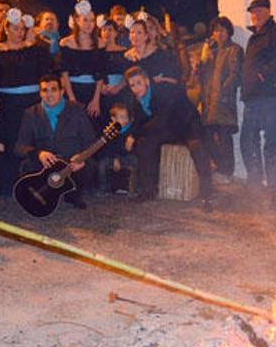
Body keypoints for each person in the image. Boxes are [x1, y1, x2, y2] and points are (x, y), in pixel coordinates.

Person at [0, 8, 53, 197]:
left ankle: (35, 183)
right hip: (7, 103)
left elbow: (45, 73)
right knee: (10, 141)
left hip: (32, 102)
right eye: (15, 28)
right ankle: (8, 186)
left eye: (22, 29)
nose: (19, 32)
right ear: (6, 29)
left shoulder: (35, 50)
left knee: (32, 140)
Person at [124, 66, 213, 210]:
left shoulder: (162, 90)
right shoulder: (138, 100)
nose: (136, 88)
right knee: (144, 144)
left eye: (138, 83)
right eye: (132, 85)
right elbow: (138, 121)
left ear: (146, 81)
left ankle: (206, 195)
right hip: (169, 128)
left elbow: (161, 120)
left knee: (197, 147)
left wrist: (136, 134)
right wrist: (132, 136)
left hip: (187, 125)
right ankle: (148, 190)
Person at [240, 0, 276, 201]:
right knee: (248, 140)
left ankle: (275, 188)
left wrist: (265, 73)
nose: (255, 15)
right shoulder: (253, 38)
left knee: (271, 142)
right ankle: (255, 182)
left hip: (270, 96)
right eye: (253, 12)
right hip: (252, 98)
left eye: (259, 11)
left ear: (268, 11)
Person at [15, 75, 96, 209]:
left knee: (89, 165)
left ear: (62, 91)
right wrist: (39, 153)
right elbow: (19, 147)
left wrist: (82, 157)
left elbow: (90, 140)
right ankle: (44, 195)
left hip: (70, 162)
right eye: (45, 90)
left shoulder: (77, 110)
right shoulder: (30, 113)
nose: (49, 94)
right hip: (46, 164)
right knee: (27, 165)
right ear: (40, 93)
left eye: (53, 89)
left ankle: (73, 195)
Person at [199, 16, 243, 185]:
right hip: (209, 101)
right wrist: (204, 58)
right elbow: (201, 76)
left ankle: (227, 171)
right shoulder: (212, 51)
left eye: (223, 30)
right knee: (208, 136)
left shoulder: (235, 50)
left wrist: (224, 91)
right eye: (216, 30)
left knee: (225, 137)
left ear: (229, 31)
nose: (219, 33)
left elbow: (235, 74)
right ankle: (220, 167)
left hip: (223, 101)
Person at [59, 0, 105, 130]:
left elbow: (101, 73)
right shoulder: (66, 42)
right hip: (72, 89)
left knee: (93, 128)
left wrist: (96, 99)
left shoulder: (101, 43)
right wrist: (72, 99)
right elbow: (64, 73)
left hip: (92, 91)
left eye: (92, 20)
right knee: (71, 129)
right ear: (77, 21)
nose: (89, 24)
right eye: (85, 20)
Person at [124, 19, 181, 85]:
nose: (135, 36)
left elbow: (174, 78)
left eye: (139, 32)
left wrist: (160, 79)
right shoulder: (127, 56)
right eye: (132, 32)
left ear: (146, 36)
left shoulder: (160, 54)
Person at [97, 103, 136, 195]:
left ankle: (132, 187)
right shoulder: (109, 131)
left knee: (135, 160)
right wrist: (115, 159)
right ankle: (103, 188)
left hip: (124, 156)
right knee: (101, 165)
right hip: (111, 156)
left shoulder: (130, 130)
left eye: (126, 117)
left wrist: (129, 147)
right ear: (113, 119)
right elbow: (108, 148)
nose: (125, 120)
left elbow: (129, 150)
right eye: (121, 117)